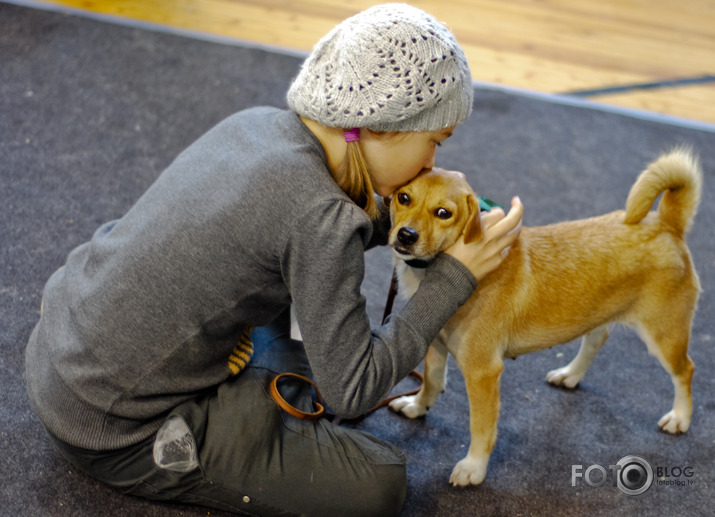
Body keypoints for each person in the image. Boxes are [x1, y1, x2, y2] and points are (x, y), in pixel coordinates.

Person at [25, 3, 523, 516]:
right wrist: (454, 277)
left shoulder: (258, 125)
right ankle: (223, 417)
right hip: (111, 428)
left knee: (304, 336)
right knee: (380, 482)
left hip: (63, 350)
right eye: (433, 142)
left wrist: (413, 221)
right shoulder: (322, 219)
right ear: (384, 127)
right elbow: (354, 390)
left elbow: (316, 219)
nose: (431, 164)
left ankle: (258, 390)